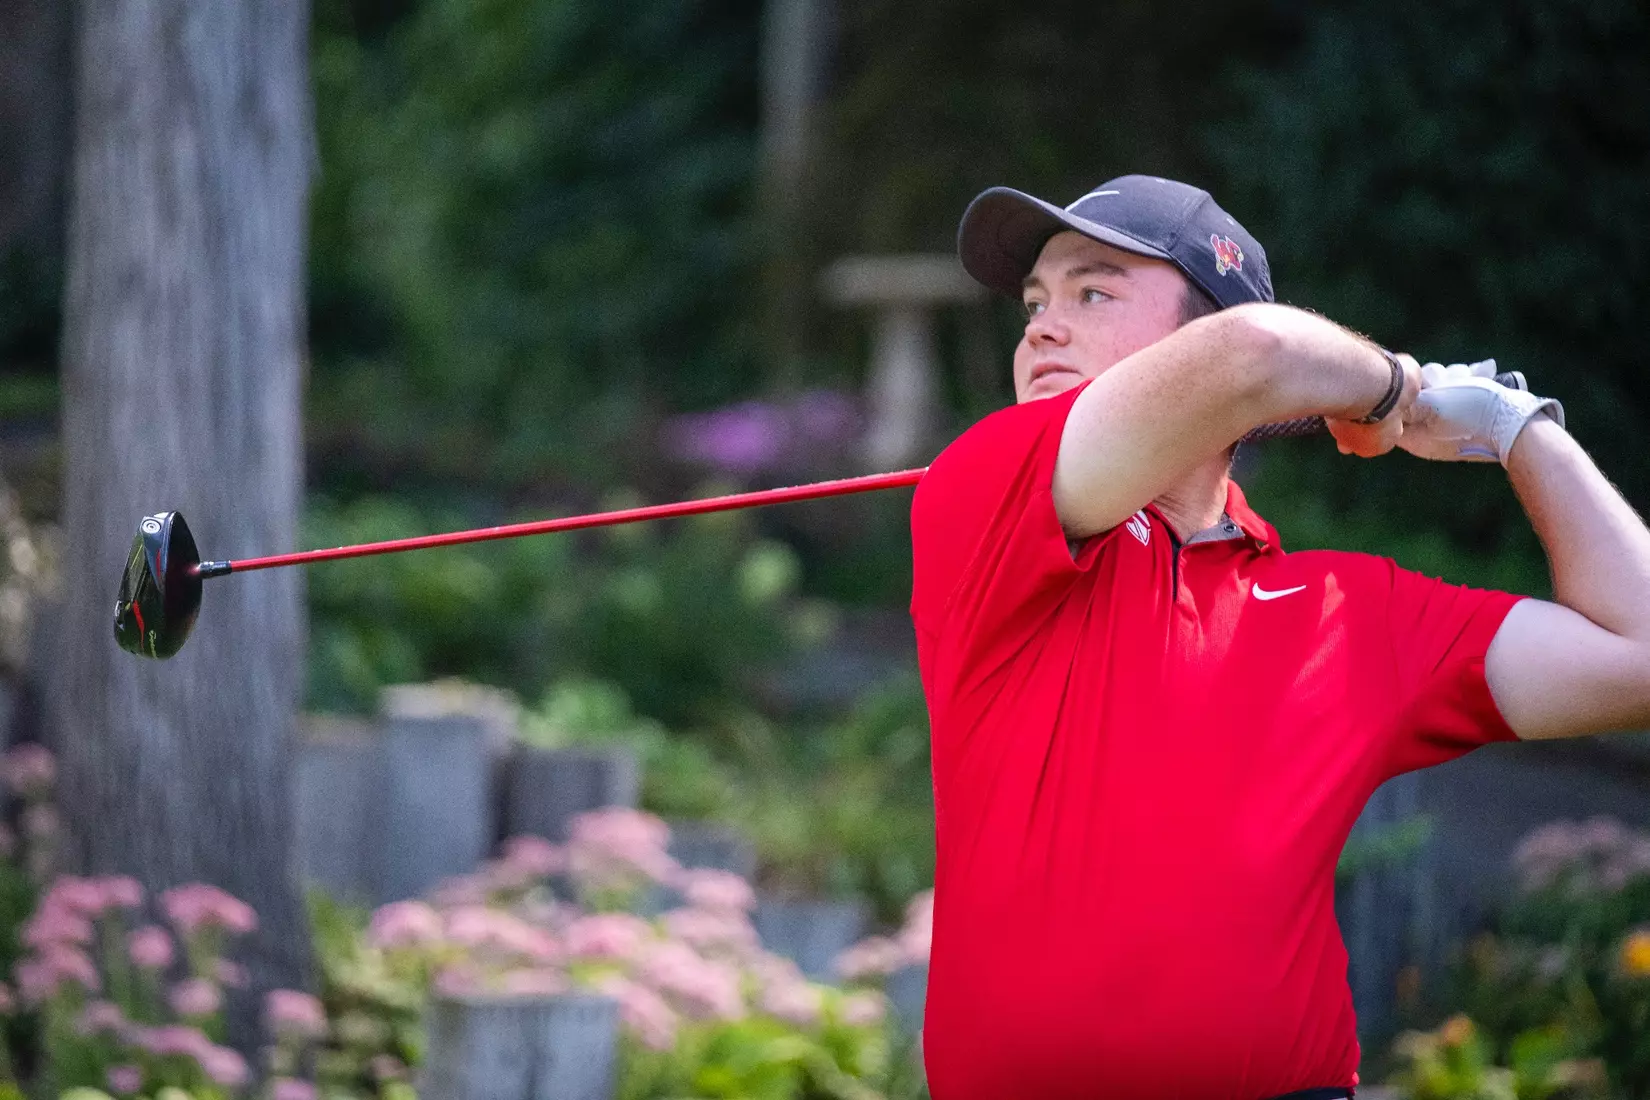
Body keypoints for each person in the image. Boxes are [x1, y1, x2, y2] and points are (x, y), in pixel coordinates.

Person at [908, 174, 1649, 1100]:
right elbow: (1259, 350)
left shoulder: (1346, 610)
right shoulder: (982, 494)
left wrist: (1517, 429)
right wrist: (1398, 391)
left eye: (1091, 292)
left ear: (1200, 336)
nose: (1040, 329)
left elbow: (1638, 654)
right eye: (1034, 303)